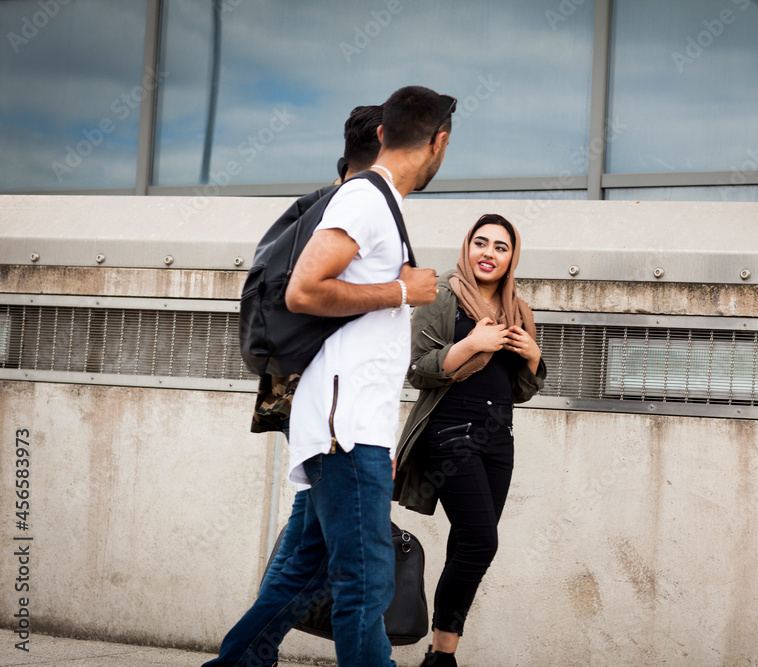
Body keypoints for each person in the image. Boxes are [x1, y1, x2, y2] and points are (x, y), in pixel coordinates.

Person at [203, 85, 454, 667]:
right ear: (440, 143)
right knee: (364, 585)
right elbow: (305, 289)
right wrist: (401, 291)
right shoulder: (365, 199)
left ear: (385, 134)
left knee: (301, 575)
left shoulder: (379, 200)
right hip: (346, 431)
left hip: (350, 427)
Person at [255, 103, 383, 667]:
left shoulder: (322, 201)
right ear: (386, 140)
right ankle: (249, 656)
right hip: (325, 400)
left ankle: (249, 655)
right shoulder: (350, 210)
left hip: (301, 386)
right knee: (339, 560)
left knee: (308, 542)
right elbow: (314, 298)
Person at [394, 214, 546, 667]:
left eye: (500, 247)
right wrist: (472, 343)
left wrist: (534, 358)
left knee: (467, 542)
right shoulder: (443, 293)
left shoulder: (518, 309)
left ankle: (440, 656)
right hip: (449, 429)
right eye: (481, 243)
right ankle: (442, 657)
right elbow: (417, 368)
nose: (489, 253)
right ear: (467, 247)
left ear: (511, 258)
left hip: (499, 437)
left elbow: (519, 389)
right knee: (482, 542)